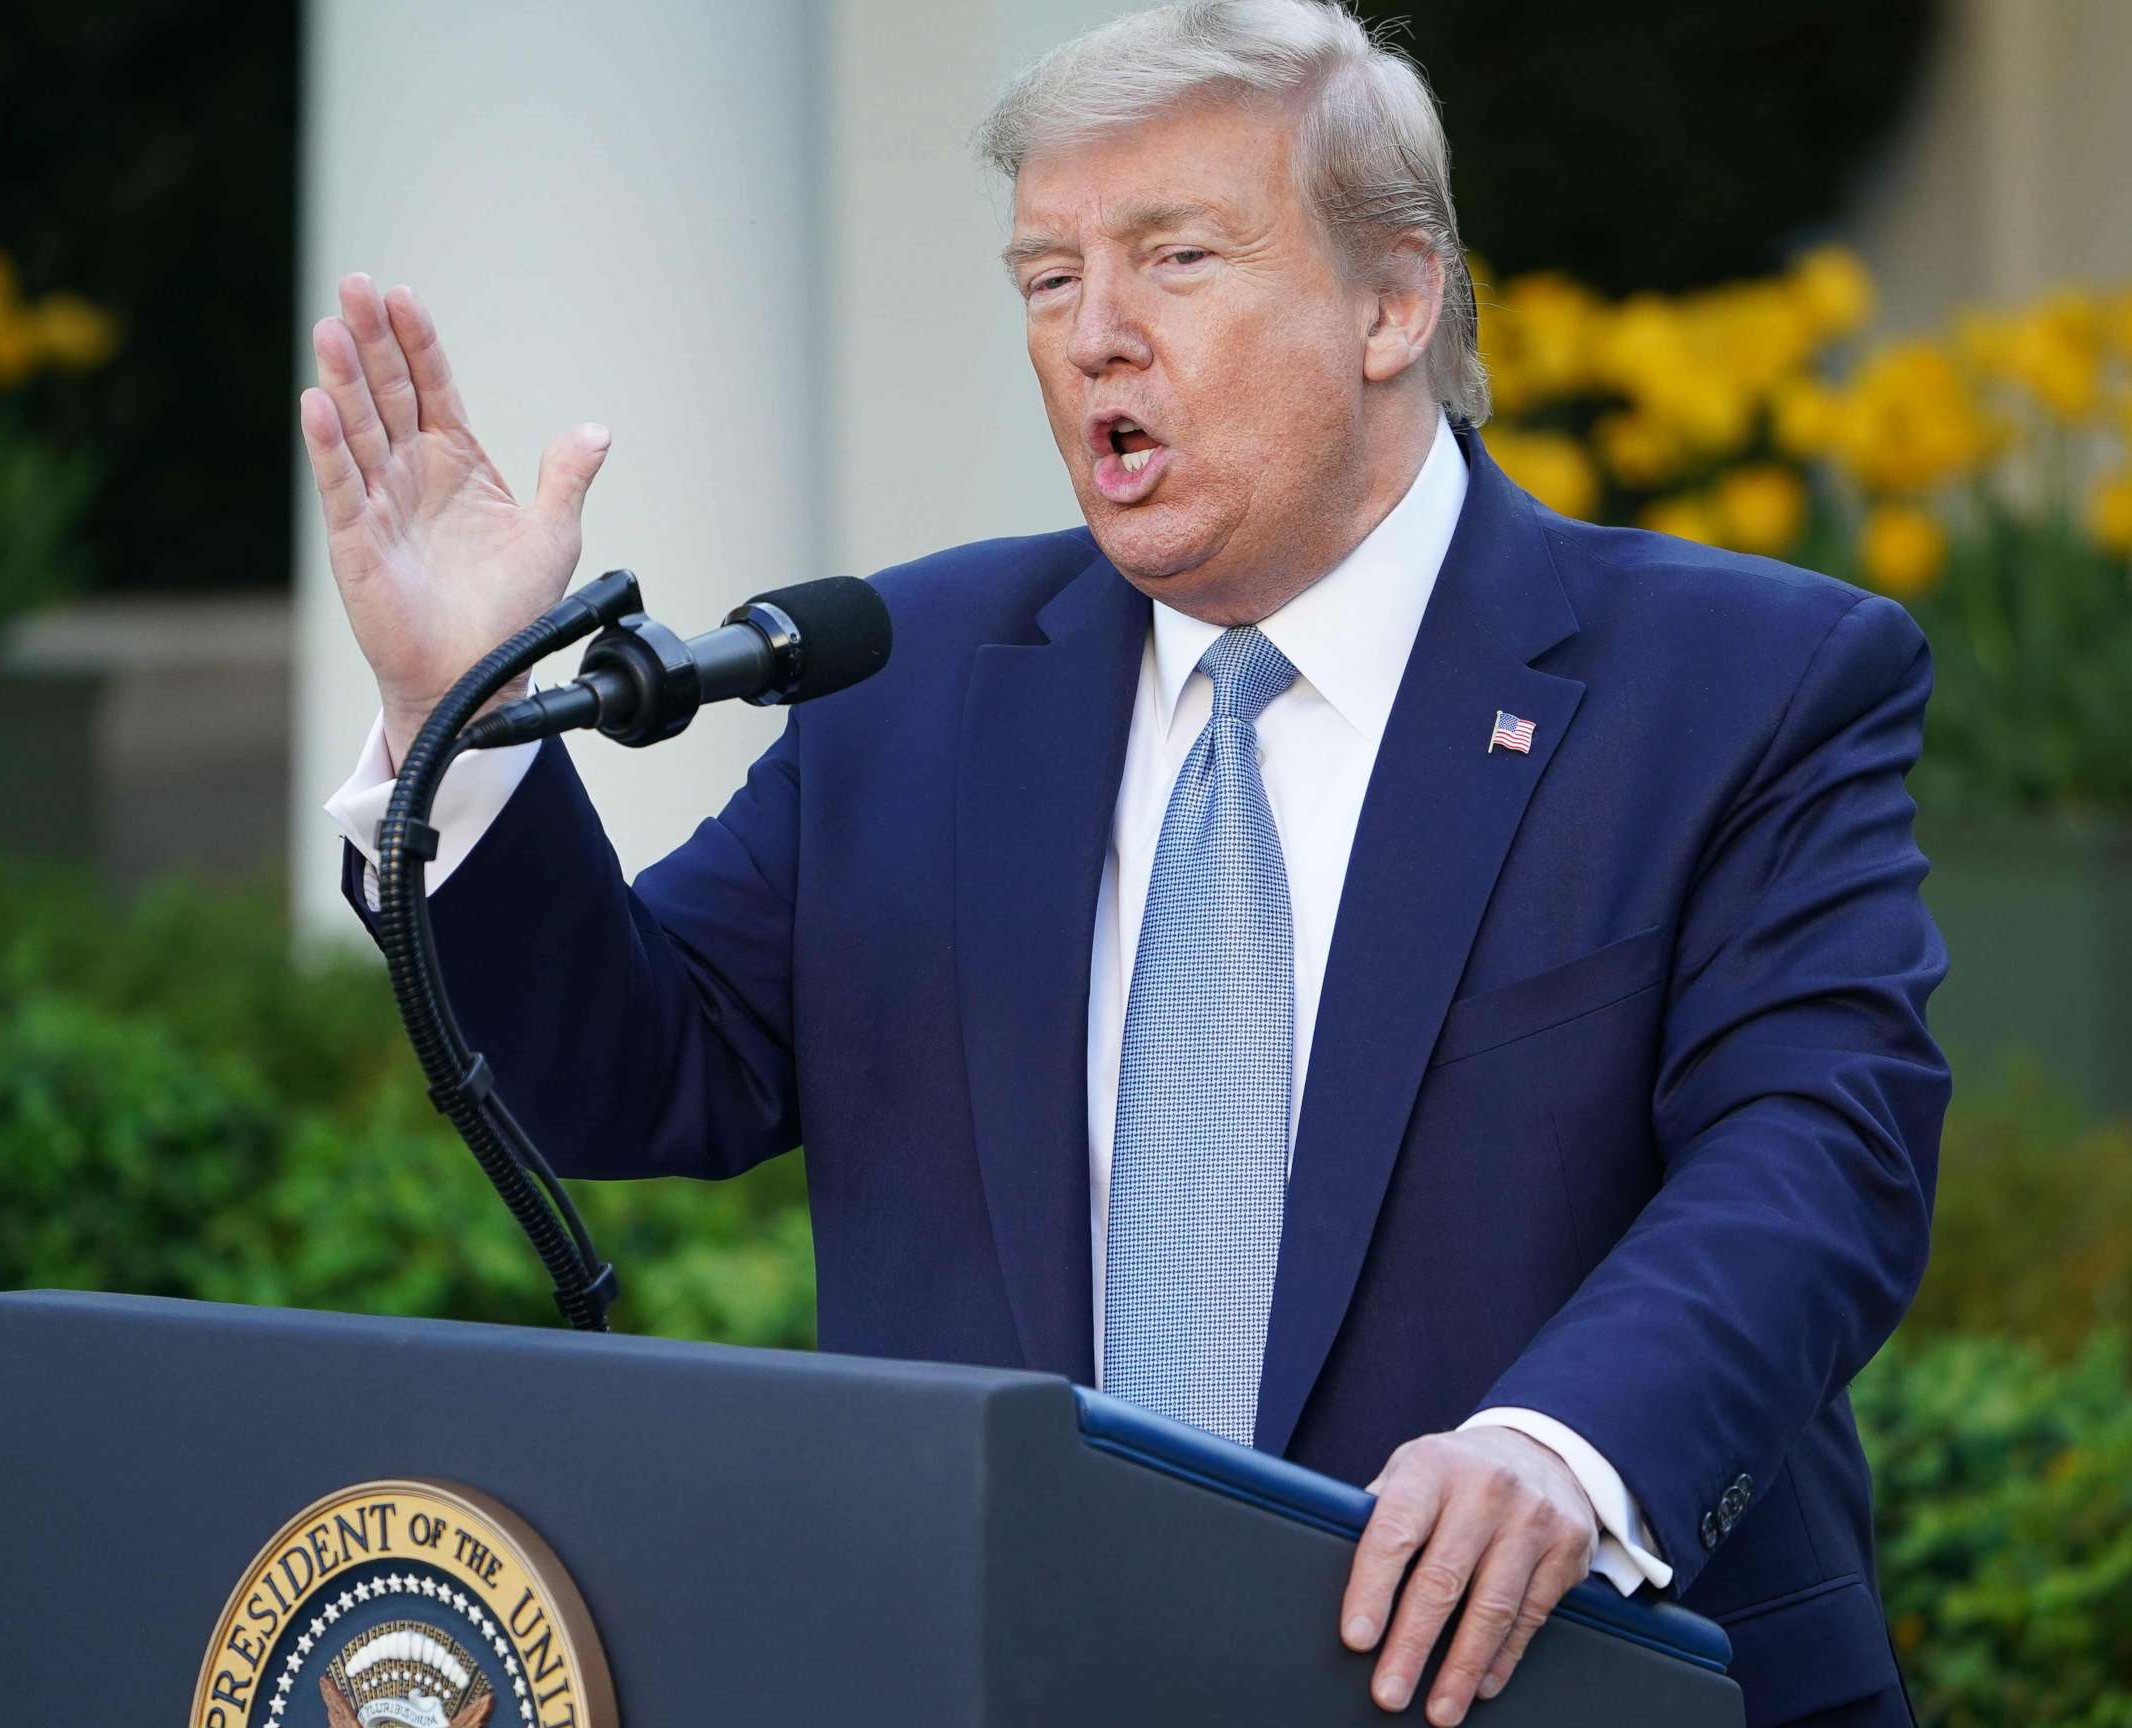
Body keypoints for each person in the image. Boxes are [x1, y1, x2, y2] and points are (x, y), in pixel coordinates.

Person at [304, 5, 1945, 1724]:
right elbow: (634, 1071)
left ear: (1393, 301)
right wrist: (455, 713)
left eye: (1177, 258)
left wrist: (1562, 1448)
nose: (1096, 337)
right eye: (1045, 278)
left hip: (1561, 1684)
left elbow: (1818, 1146)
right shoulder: (917, 672)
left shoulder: (1740, 686)